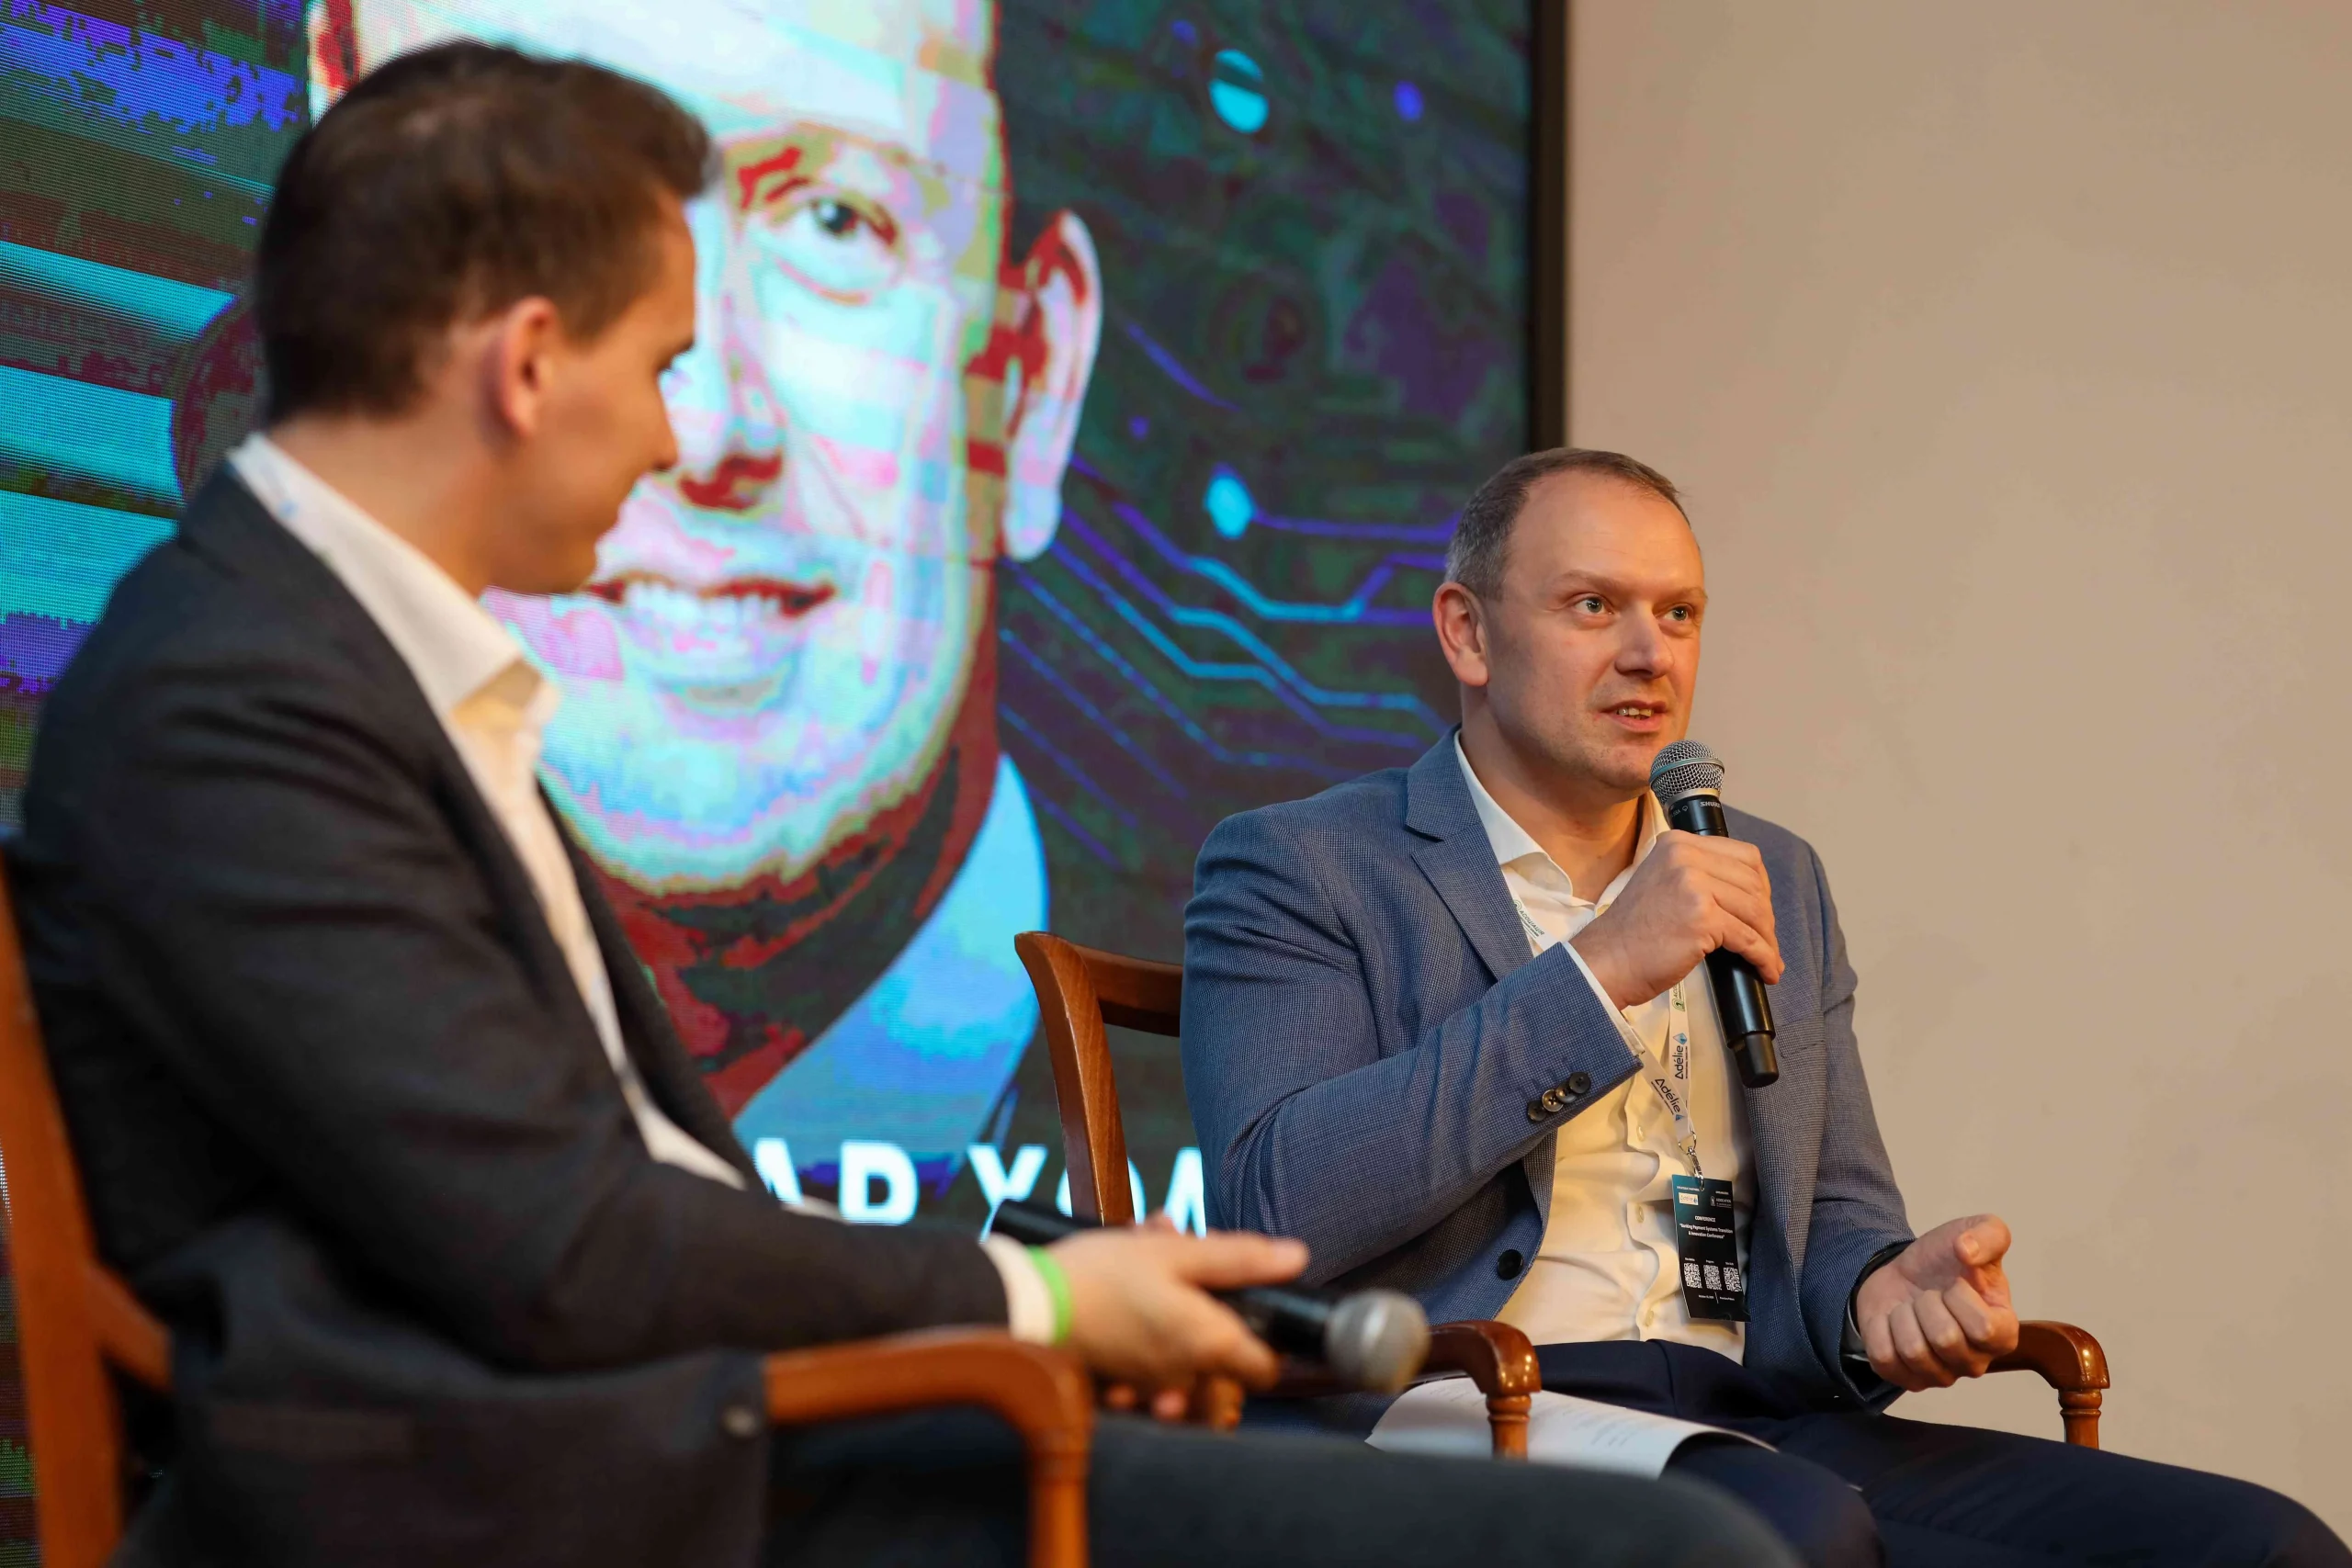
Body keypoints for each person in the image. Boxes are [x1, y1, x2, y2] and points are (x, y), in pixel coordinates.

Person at [10, 51, 1791, 1568]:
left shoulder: (343, 669)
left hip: (697, 1444)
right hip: (550, 1497)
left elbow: (602, 1204)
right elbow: (561, 1245)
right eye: (661, 361)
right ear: (527, 364)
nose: (678, 439)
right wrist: (1043, 1303)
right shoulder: (238, 696)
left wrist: (1030, 1305)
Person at [1180, 447, 2350, 1567]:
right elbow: (1277, 1202)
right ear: (1467, 633)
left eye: (1679, 613)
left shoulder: (1767, 871)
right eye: (1593, 606)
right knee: (1792, 1531)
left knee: (2260, 1545)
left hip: (1753, 1417)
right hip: (1467, 1405)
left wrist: (1880, 1295)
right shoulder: (1307, 864)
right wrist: (1599, 971)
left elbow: (1835, 1207)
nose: (1649, 653)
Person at [306, 0, 1106, 1180]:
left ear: (1030, 385)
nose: (699, 425)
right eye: (544, 219)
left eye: (835, 221)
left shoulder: (1242, 1015)